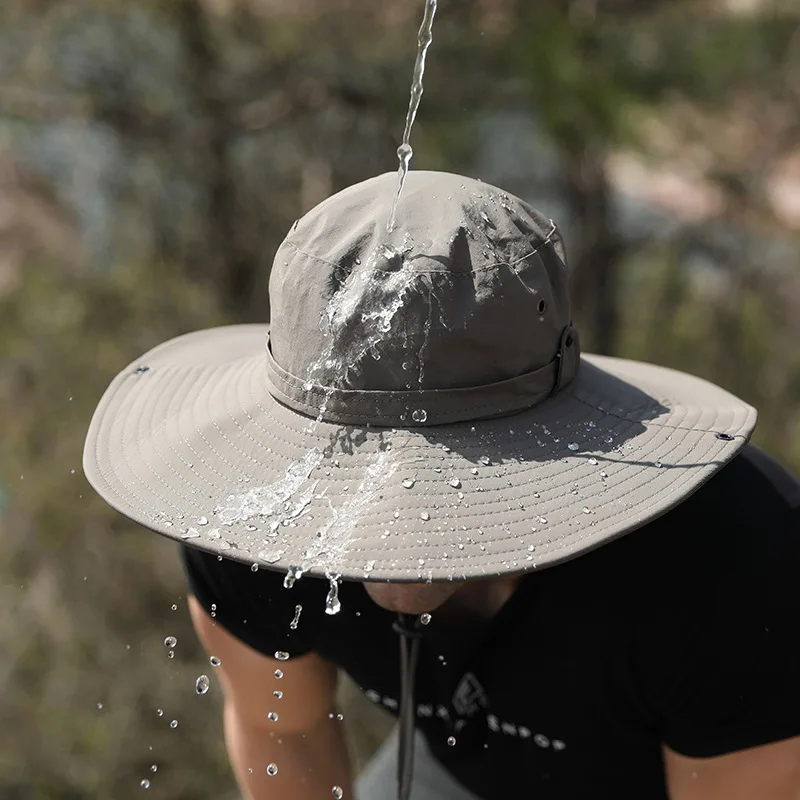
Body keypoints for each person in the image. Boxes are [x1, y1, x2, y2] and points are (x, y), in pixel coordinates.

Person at [83, 171, 800, 800]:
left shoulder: (733, 568)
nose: (395, 543)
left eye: (443, 482)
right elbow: (285, 734)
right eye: (354, 472)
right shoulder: (247, 516)